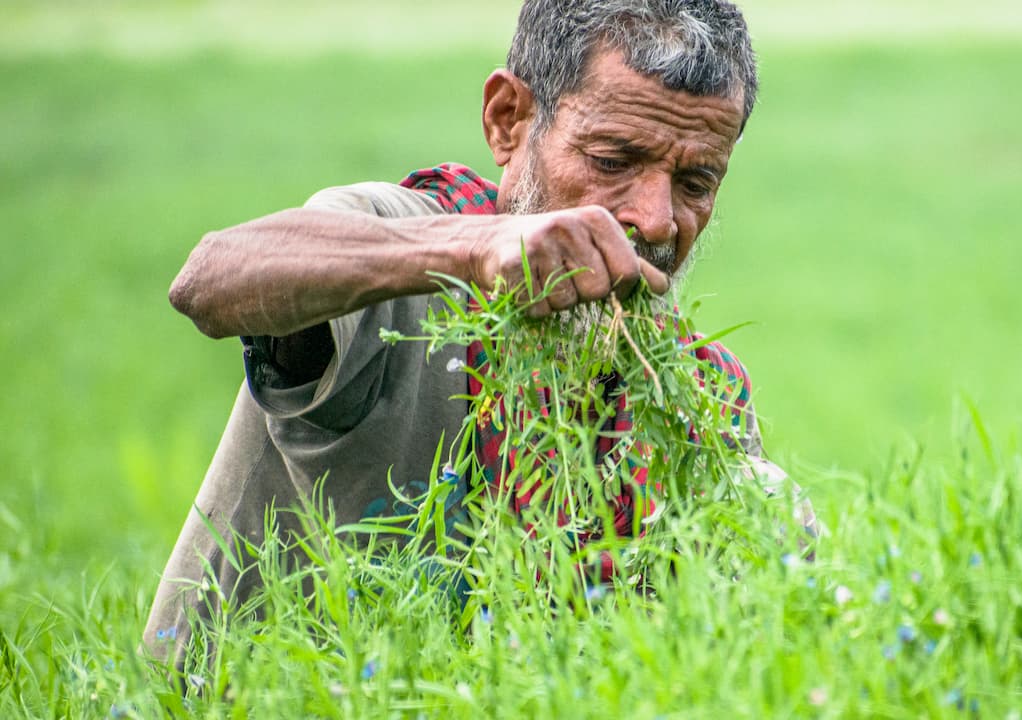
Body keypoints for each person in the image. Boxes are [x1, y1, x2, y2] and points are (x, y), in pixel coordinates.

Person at [145, 0, 790, 665]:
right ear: (508, 120)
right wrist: (476, 250)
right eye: (613, 158)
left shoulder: (694, 391)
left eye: (695, 181)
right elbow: (209, 278)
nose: (657, 220)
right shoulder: (404, 247)